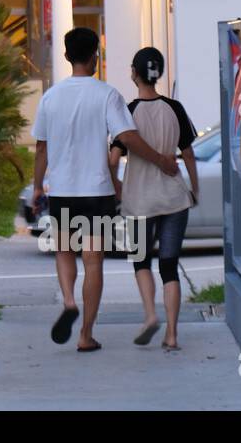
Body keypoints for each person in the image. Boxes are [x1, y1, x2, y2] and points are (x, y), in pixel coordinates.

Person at [32, 28, 179, 352]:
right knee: (93, 260)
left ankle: (69, 300)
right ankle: (85, 334)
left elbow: (41, 148)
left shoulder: (51, 97)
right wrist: (160, 160)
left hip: (63, 191)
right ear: (95, 56)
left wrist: (36, 188)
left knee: (64, 251)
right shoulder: (107, 95)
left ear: (68, 56)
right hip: (96, 191)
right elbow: (127, 137)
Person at [109, 47, 199, 351]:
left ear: (134, 73)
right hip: (174, 197)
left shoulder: (127, 111)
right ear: (157, 73)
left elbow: (112, 158)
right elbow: (187, 153)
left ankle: (150, 315)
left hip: (138, 200)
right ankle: (172, 334)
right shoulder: (175, 108)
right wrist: (194, 189)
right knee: (170, 266)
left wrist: (116, 184)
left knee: (140, 261)